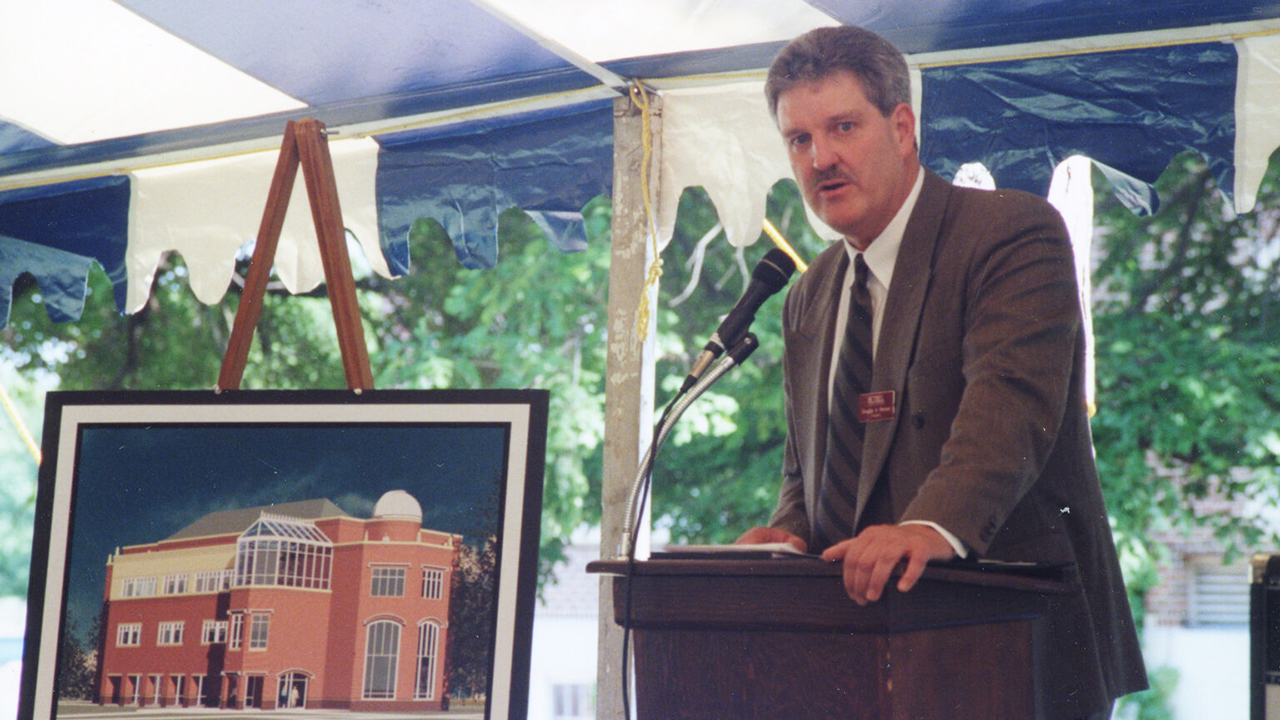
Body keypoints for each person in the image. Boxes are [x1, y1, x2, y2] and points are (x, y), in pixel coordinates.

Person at [736, 26, 1148, 719]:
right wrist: (789, 533)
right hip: (856, 662)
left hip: (1010, 649)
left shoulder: (1009, 232)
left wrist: (932, 525)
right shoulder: (809, 293)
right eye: (799, 140)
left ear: (901, 128)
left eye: (843, 127)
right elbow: (807, 466)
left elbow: (1009, 408)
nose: (821, 158)